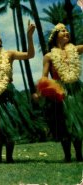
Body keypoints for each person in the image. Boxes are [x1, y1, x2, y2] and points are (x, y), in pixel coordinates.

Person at [0, 21, 39, 163]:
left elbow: (30, 55)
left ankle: (10, 157)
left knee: (9, 126)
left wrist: (29, 36)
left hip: (9, 96)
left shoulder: (9, 54)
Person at [40, 23, 83, 162]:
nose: (66, 32)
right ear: (55, 36)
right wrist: (44, 91)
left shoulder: (75, 49)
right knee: (64, 123)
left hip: (76, 90)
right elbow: (44, 76)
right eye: (62, 31)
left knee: (77, 122)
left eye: (67, 30)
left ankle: (79, 154)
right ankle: (67, 155)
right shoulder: (49, 56)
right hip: (59, 92)